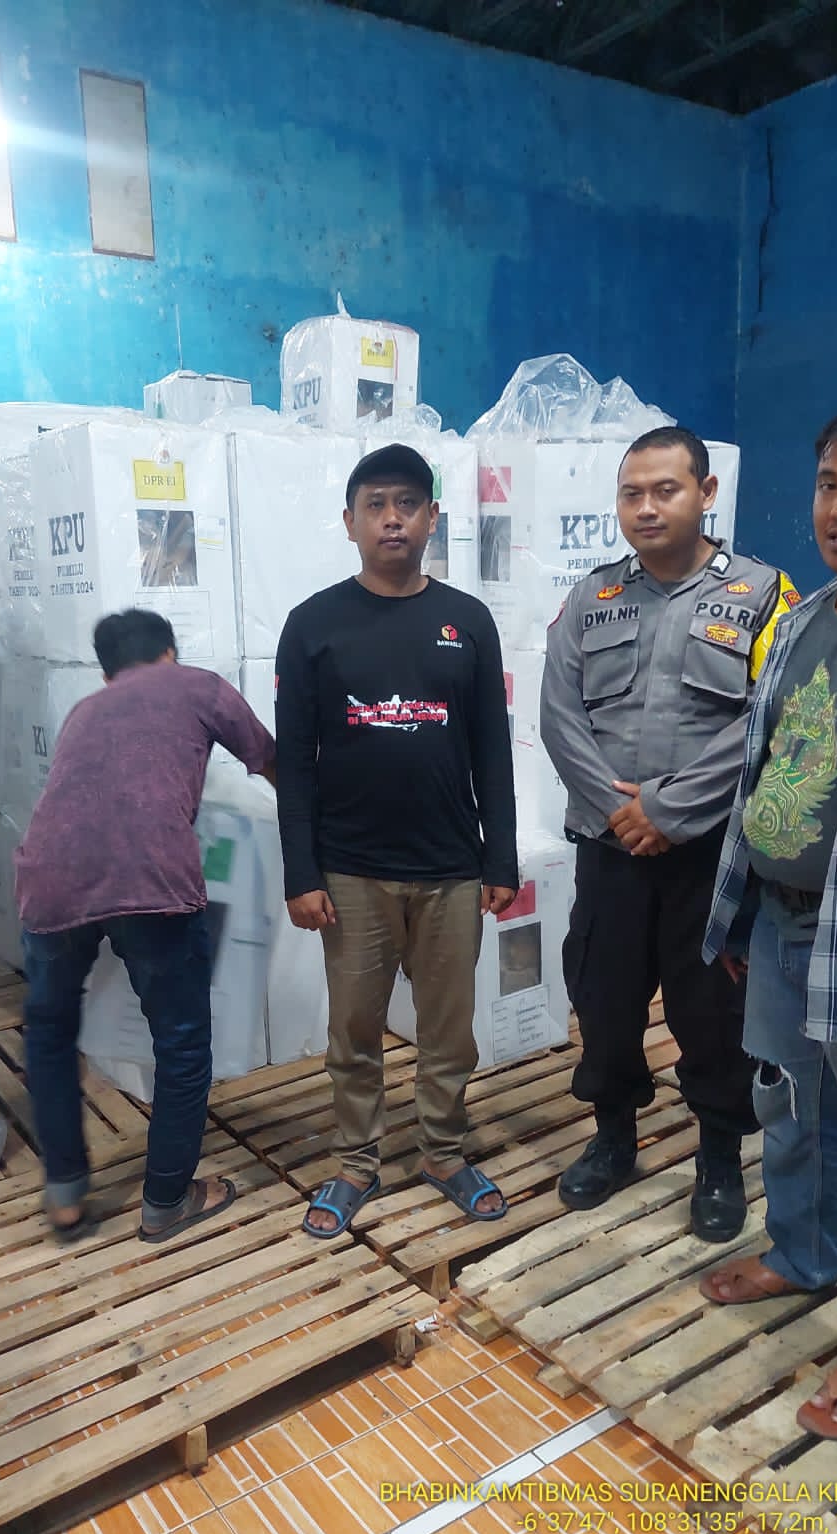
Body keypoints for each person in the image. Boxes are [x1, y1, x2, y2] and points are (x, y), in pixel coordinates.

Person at [700, 397, 837, 1442]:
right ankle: (801, 1253)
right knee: (786, 1109)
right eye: (830, 483)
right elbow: (769, 771)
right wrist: (740, 910)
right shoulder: (799, 619)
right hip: (783, 929)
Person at [540, 426, 797, 1241]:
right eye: (632, 494)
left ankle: (718, 1155)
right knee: (604, 1002)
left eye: (666, 490)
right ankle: (613, 1136)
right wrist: (623, 816)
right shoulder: (591, 598)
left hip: (710, 860)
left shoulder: (764, 595)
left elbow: (771, 717)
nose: (646, 508)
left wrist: (671, 811)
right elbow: (559, 716)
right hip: (610, 853)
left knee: (711, 1013)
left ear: (706, 492)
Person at [274, 442, 519, 1237]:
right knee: (354, 1032)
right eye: (375, 504)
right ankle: (355, 1163)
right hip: (351, 872)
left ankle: (443, 1152)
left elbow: (492, 751)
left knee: (449, 1032)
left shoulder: (468, 622)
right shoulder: (312, 626)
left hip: (451, 868)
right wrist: (301, 872)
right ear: (349, 522)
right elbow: (295, 764)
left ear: (431, 518)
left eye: (408, 504)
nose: (392, 519)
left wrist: (500, 856)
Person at [14, 609, 276, 1245]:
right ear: (170, 653)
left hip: (47, 879)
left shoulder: (85, 710)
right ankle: (166, 1200)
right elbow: (273, 762)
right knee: (181, 1042)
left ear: (107, 672)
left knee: (49, 1034)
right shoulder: (197, 684)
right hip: (148, 876)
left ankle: (66, 1197)